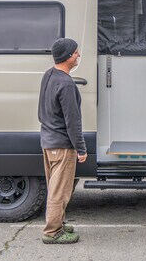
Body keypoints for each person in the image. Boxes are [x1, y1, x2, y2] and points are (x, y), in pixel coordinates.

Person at [38, 38, 88, 244]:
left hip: (48, 142)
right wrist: (81, 148)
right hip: (62, 145)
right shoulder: (66, 84)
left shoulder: (49, 75)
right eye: (76, 53)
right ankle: (53, 232)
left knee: (55, 187)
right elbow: (72, 121)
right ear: (68, 56)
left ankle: (58, 221)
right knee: (60, 190)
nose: (78, 55)